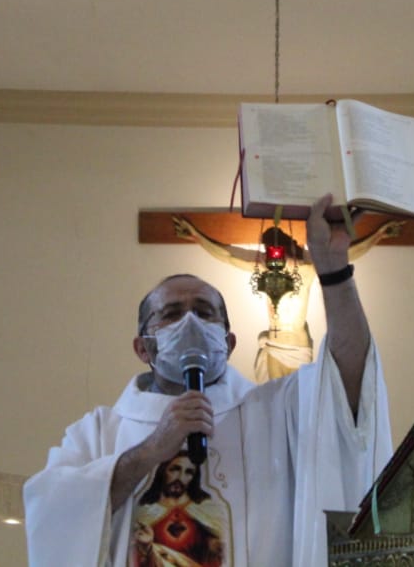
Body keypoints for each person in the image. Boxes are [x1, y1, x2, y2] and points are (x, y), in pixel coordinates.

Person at [23, 194, 393, 567]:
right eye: (171, 314)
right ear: (142, 348)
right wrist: (151, 449)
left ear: (228, 343)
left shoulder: (275, 411)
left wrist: (333, 269)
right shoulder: (98, 433)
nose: (191, 323)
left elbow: (349, 379)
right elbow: (54, 513)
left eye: (204, 312)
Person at [171, 215, 403, 380]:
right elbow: (228, 255)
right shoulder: (265, 268)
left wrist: (378, 235)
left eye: (277, 248)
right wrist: (198, 237)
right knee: (272, 401)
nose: (274, 254)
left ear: (289, 247)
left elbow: (346, 253)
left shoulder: (306, 269)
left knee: (299, 402)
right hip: (274, 344)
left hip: (297, 345)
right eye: (269, 250)